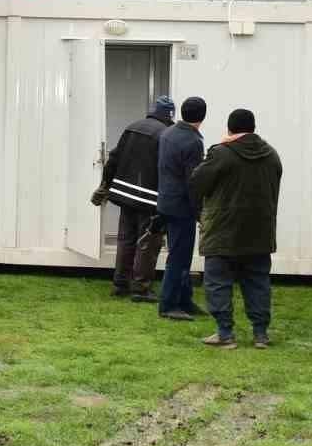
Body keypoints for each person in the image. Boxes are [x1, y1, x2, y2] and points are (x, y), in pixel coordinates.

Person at [189, 107, 282, 349]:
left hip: (223, 232)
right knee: (258, 283)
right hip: (259, 232)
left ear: (229, 129)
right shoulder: (271, 154)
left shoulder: (221, 153)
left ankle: (225, 333)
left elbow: (196, 182)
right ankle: (260, 334)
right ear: (253, 128)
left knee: (218, 282)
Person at [93, 95, 173, 298]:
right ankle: (140, 288)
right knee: (147, 244)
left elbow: (114, 158)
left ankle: (120, 285)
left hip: (125, 196)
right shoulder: (166, 134)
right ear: (169, 115)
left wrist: (105, 185)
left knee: (125, 240)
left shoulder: (132, 127)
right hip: (149, 199)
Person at [156, 96, 209, 321]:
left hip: (167, 201)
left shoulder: (168, 133)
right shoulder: (193, 142)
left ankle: (184, 300)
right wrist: (200, 211)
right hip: (182, 206)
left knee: (180, 254)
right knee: (179, 257)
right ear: (203, 116)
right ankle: (168, 304)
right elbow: (193, 181)